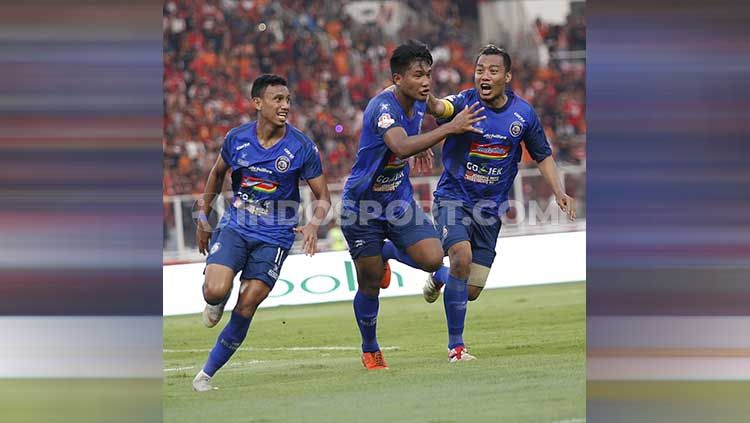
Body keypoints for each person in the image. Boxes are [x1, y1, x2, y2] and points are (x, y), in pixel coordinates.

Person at [422, 45, 577, 362]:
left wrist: (559, 191)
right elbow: (440, 108)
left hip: (489, 210)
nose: (484, 76)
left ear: (507, 76)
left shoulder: (523, 115)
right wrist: (424, 94)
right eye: (480, 70)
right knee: (461, 257)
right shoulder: (465, 102)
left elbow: (543, 155)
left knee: (470, 289)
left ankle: (440, 275)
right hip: (454, 197)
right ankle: (456, 347)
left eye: (492, 71)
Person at [341, 40, 485, 370]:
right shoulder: (383, 108)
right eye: (418, 75)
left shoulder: (421, 101)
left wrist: (464, 110)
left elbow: (440, 108)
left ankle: (388, 252)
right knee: (369, 281)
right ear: (397, 79)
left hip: (397, 198)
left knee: (434, 256)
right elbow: (400, 145)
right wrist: (448, 129)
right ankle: (370, 347)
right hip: (362, 206)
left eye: (428, 74)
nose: (425, 82)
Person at [192, 74, 331, 391]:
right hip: (237, 225)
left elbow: (324, 196)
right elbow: (216, 175)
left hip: (276, 236)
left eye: (287, 100)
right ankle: (215, 300)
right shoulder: (237, 138)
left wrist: (313, 223)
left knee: (247, 303)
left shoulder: (302, 147)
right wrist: (203, 217)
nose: (285, 106)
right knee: (215, 291)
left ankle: (206, 374)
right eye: (277, 99)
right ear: (258, 103)